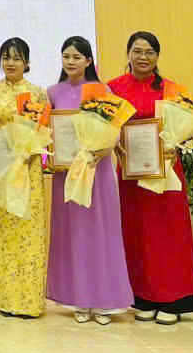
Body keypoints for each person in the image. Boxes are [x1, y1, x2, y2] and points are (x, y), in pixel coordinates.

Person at [109, 31, 193, 325]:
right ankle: (143, 297)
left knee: (167, 234)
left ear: (157, 57)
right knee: (137, 233)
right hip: (131, 175)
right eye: (137, 51)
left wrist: (177, 143)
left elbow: (188, 128)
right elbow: (105, 126)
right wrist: (113, 142)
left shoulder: (172, 90)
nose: (143, 57)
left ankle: (172, 299)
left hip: (166, 172)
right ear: (128, 53)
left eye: (150, 52)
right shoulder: (113, 88)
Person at [46, 36, 133, 325]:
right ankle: (79, 299)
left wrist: (105, 149)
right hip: (67, 172)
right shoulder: (52, 92)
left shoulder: (102, 90)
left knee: (99, 232)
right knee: (73, 234)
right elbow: (47, 130)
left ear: (88, 60)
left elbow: (114, 128)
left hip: (97, 169)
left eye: (76, 57)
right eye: (66, 56)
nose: (70, 62)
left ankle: (104, 301)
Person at [0, 37, 49, 318]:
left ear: (27, 62)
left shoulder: (38, 94)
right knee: (0, 232)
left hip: (27, 169)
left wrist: (30, 151)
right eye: (6, 57)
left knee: (27, 230)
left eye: (17, 58)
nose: (10, 63)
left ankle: (28, 301)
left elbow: (45, 131)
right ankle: (3, 298)